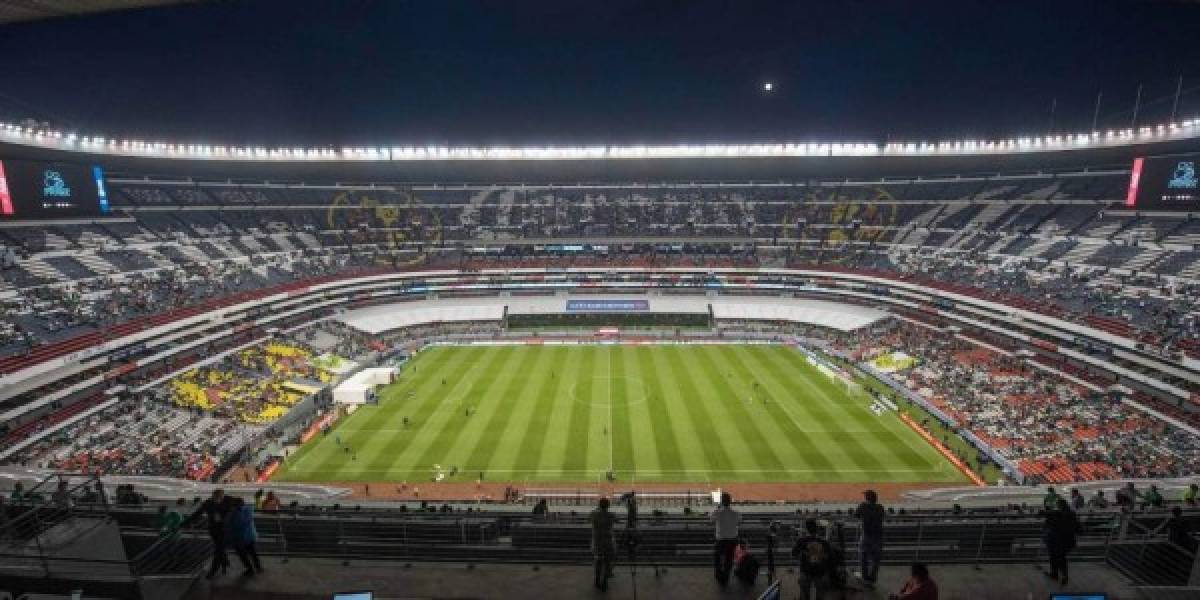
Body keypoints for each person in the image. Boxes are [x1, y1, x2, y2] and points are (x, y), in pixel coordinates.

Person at [792, 518, 833, 600]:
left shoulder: (801, 541)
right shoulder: (824, 542)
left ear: (806, 529)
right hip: (820, 573)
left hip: (805, 572)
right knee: (820, 597)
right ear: (817, 529)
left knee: (804, 596)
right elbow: (830, 558)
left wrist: (803, 554)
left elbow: (794, 554)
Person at [1043, 497, 1080, 585]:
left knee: (1056, 557)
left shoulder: (1057, 514)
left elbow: (1048, 522)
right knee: (1060, 558)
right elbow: (1077, 527)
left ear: (1059, 506)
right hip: (1068, 541)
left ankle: (1059, 575)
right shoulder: (1072, 514)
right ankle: (1059, 575)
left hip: (1058, 541)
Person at [196, 489, 232, 579]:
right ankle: (224, 563)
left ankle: (213, 571)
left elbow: (237, 506)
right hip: (214, 530)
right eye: (219, 496)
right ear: (214, 496)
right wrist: (185, 523)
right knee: (219, 549)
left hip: (223, 530)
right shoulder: (208, 503)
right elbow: (197, 513)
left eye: (221, 497)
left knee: (218, 550)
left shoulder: (226, 502)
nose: (220, 498)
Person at [855, 489, 885, 588]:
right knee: (876, 560)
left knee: (863, 557)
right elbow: (882, 516)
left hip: (866, 536)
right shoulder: (880, 507)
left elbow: (855, 515)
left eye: (866, 496)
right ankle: (872, 578)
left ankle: (865, 578)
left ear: (867, 498)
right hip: (878, 537)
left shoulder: (863, 506)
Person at [710, 492, 741, 586]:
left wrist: (718, 508)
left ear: (722, 502)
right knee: (729, 560)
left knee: (717, 559)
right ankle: (725, 578)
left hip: (720, 541)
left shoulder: (717, 512)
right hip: (732, 541)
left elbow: (711, 518)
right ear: (730, 502)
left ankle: (719, 576)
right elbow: (739, 521)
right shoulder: (736, 513)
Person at [227, 497, 263, 576]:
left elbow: (236, 525)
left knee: (243, 555)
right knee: (252, 553)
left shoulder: (236, 513)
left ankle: (250, 569)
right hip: (250, 536)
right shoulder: (248, 510)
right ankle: (258, 567)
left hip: (241, 537)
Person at [589, 497, 616, 591]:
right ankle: (604, 581)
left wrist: (598, 509)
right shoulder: (611, 515)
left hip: (597, 541)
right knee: (607, 562)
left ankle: (597, 580)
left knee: (598, 562)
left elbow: (590, 516)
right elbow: (616, 520)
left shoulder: (593, 514)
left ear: (599, 505)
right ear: (608, 506)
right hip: (608, 541)